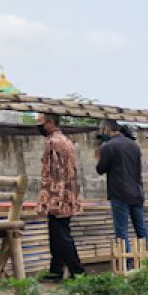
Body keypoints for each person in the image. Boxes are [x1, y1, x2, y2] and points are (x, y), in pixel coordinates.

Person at [35, 113, 86, 280]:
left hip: (58, 197)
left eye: (40, 122)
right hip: (69, 194)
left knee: (62, 235)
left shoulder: (53, 143)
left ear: (50, 123)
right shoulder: (66, 141)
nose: (38, 126)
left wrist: (51, 201)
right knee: (56, 234)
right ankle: (56, 269)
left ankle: (77, 270)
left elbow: (54, 174)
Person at [95, 120, 148, 248]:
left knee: (122, 231)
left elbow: (100, 169)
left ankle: (128, 263)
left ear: (107, 129)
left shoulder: (109, 146)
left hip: (119, 193)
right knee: (141, 229)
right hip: (136, 192)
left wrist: (98, 157)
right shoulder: (134, 145)